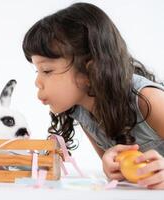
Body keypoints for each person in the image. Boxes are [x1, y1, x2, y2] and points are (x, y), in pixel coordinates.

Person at [22, 2, 164, 189]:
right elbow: (121, 172)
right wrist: (111, 164)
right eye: (37, 72)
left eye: (47, 70)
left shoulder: (147, 99)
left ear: (89, 70)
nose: (37, 82)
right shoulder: (82, 111)